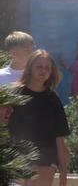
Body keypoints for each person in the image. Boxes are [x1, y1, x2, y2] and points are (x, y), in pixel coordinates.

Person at [8, 50, 70, 186]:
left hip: (45, 161)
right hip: (15, 160)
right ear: (30, 67)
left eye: (47, 68)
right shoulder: (13, 94)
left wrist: (63, 179)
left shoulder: (53, 100)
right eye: (39, 66)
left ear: (51, 72)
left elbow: (60, 139)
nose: (43, 71)